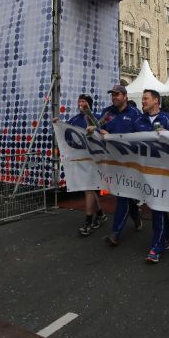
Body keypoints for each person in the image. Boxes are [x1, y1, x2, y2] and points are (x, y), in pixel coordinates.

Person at [90, 85, 143, 246]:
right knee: (125, 194)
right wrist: (94, 129)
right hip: (112, 160)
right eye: (112, 94)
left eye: (117, 94)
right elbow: (98, 128)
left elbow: (140, 136)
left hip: (131, 161)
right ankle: (136, 216)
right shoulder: (107, 113)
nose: (114, 97)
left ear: (125, 96)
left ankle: (116, 232)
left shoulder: (135, 114)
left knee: (122, 195)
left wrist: (112, 136)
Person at [133, 89, 169, 263]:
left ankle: (156, 247)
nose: (142, 101)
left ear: (156, 100)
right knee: (156, 205)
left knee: (158, 206)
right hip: (145, 170)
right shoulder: (138, 121)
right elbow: (126, 140)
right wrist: (104, 134)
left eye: (145, 98)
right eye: (142, 98)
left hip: (164, 171)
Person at [65, 94, 108, 236]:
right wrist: (57, 123)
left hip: (95, 159)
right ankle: (100, 214)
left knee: (89, 188)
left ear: (89, 104)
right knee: (88, 189)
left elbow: (104, 132)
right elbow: (66, 132)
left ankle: (88, 222)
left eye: (83, 101)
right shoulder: (74, 119)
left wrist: (95, 129)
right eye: (79, 101)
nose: (80, 104)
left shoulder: (97, 118)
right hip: (81, 159)